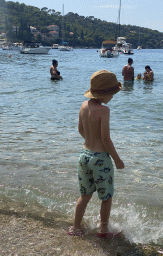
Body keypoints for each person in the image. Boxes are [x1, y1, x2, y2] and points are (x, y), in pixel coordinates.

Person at [68, 70, 124, 237]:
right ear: (105, 93)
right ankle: (103, 230)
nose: (112, 97)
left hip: (84, 156)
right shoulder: (104, 110)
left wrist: (91, 142)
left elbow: (80, 129)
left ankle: (76, 227)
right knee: (106, 197)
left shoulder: (83, 105)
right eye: (112, 94)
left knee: (84, 195)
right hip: (100, 159)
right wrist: (117, 160)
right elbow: (106, 139)